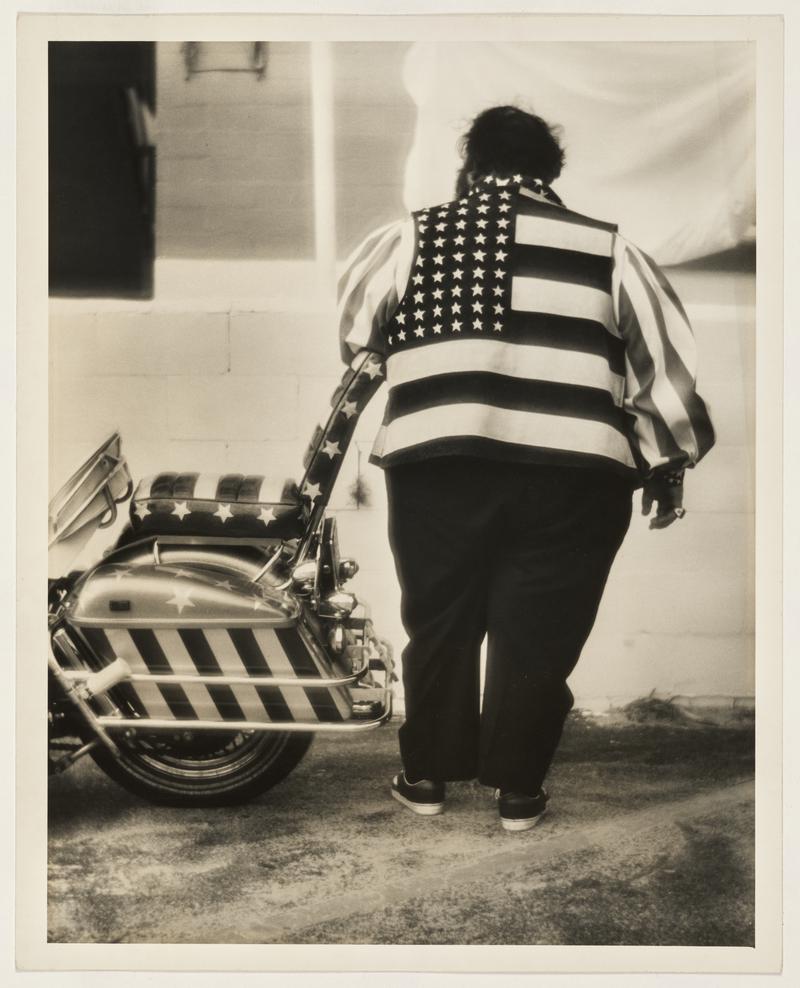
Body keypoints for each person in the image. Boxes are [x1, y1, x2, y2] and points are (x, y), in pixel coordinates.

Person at [335, 105, 715, 831]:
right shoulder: (612, 250)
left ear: (472, 165)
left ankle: (427, 777)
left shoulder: (409, 237)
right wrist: (667, 464)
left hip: (438, 461)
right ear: (550, 171)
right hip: (573, 475)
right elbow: (664, 370)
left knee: (440, 620)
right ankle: (516, 792)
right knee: (538, 631)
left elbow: (359, 334)